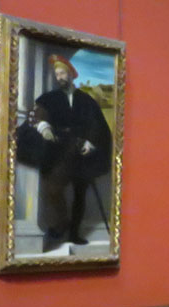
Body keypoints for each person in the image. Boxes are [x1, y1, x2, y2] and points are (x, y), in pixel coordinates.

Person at [16, 53, 112, 251]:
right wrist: (43, 126)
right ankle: (61, 223)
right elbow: (36, 114)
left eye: (62, 73)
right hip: (60, 150)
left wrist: (90, 143)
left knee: (80, 192)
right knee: (53, 188)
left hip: (82, 152)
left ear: (71, 75)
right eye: (57, 74)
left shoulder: (86, 100)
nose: (59, 77)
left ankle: (74, 233)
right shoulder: (50, 98)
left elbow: (97, 125)